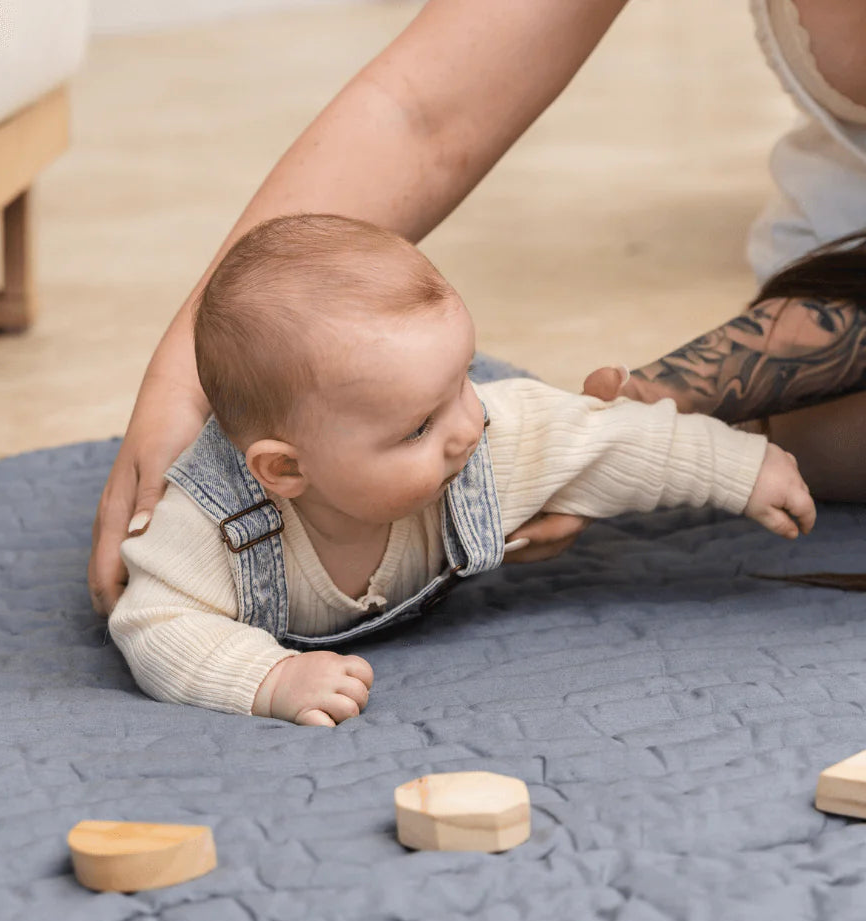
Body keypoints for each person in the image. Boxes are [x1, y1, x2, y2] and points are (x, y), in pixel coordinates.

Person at [89, 0, 866, 616]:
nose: (473, 428)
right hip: (834, 259)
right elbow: (422, 110)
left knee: (814, 451)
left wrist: (667, 429)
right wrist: (182, 373)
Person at [108, 214, 815, 725]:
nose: (464, 431)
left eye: (464, 380)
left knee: (544, 420)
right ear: (286, 470)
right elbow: (156, 624)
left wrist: (737, 468)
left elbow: (606, 441)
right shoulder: (212, 527)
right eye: (418, 426)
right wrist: (271, 676)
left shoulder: (477, 436)